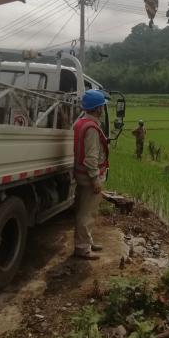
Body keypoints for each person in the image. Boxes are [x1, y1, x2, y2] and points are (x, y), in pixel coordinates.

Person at [73, 89, 109, 260]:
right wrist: (95, 179)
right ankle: (83, 248)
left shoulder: (80, 122)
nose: (103, 109)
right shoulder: (92, 128)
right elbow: (91, 158)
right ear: (97, 109)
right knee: (87, 214)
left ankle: (87, 241)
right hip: (89, 177)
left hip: (80, 175)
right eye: (102, 106)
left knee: (84, 211)